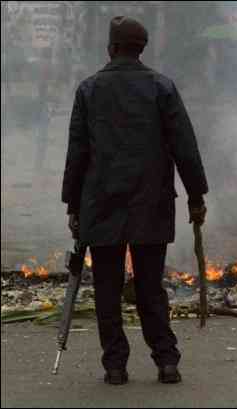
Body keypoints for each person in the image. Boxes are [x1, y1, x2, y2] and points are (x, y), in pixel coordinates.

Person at [61, 16, 209, 385]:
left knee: (107, 289)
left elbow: (77, 155)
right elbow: (184, 148)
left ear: (111, 48)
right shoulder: (162, 88)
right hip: (152, 203)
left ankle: (115, 366)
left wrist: (73, 206)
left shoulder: (89, 90)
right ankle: (166, 360)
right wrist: (196, 196)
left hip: (102, 204)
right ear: (141, 49)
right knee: (149, 287)